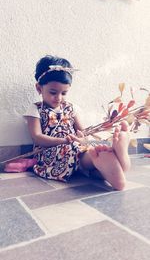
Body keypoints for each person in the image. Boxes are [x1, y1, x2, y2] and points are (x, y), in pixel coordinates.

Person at [24, 55, 131, 190]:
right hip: (50, 152)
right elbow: (37, 137)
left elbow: (83, 132)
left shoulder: (71, 108)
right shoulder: (35, 109)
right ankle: (103, 159)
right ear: (39, 89)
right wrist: (63, 141)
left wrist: (82, 137)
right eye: (53, 92)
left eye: (64, 93)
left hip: (76, 146)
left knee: (91, 150)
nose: (59, 97)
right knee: (83, 154)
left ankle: (108, 158)